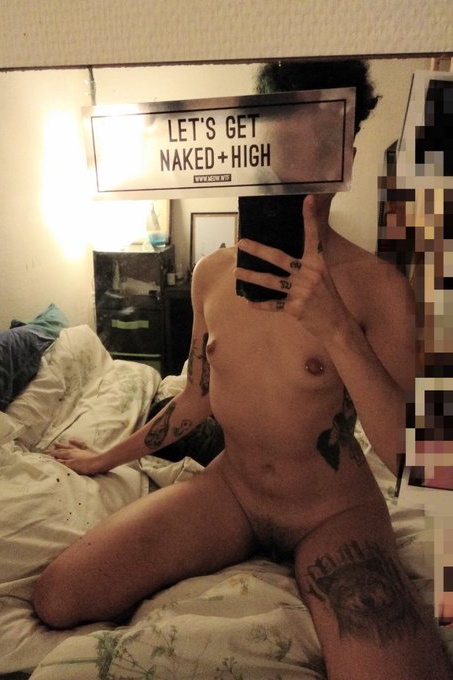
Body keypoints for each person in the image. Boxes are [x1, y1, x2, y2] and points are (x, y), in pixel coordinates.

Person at [33, 60, 453, 679]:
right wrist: (103, 459)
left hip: (332, 512)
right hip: (233, 491)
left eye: (320, 145)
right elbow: (195, 399)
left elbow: (414, 459)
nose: (297, 167)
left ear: (346, 157)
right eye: (282, 142)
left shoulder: (376, 286)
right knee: (59, 596)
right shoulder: (211, 274)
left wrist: (337, 329)